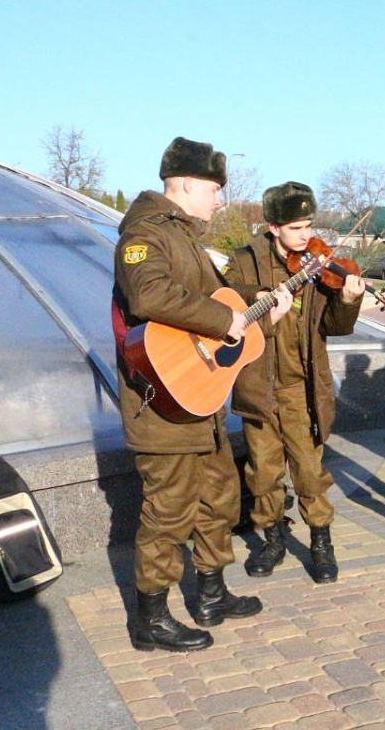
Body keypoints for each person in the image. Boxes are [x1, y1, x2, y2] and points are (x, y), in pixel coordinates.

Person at [113, 137, 287, 652]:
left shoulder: (186, 238)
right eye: (214, 189)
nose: (220, 200)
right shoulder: (144, 234)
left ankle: (211, 593)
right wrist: (225, 318)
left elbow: (213, 318)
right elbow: (150, 295)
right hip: (162, 407)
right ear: (186, 183)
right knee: (168, 510)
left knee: (219, 496)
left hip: (199, 401)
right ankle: (150, 618)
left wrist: (257, 315)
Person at [225, 182, 364, 584]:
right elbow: (224, 300)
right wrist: (261, 297)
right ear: (273, 227)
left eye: (309, 226)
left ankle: (322, 543)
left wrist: (349, 300)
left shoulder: (319, 265)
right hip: (258, 384)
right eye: (296, 228)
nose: (306, 236)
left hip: (303, 387)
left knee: (309, 472)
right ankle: (272, 538)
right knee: (264, 472)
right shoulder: (245, 261)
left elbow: (335, 326)